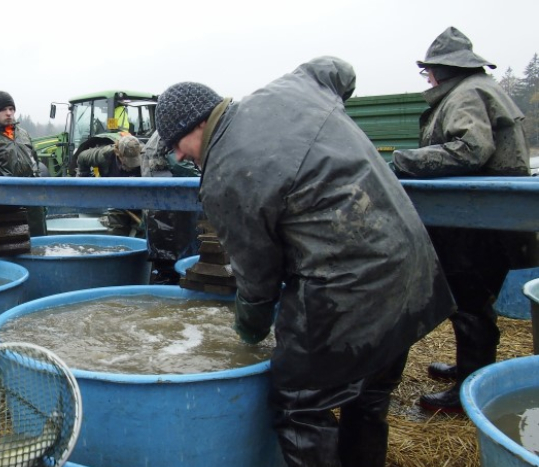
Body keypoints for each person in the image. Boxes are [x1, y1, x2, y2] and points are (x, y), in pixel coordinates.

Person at [155, 58, 455, 467]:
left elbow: (257, 281)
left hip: (349, 292)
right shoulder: (295, 88)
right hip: (412, 266)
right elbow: (338, 70)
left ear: (196, 124)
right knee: (367, 397)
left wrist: (246, 335)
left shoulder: (224, 174)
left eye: (175, 144)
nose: (178, 155)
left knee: (298, 404)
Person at [392, 26, 532, 412]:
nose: (429, 79)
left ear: (441, 69)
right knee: (475, 296)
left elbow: (471, 148)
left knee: (468, 296)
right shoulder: (478, 88)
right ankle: (471, 367)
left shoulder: (467, 92)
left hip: (478, 217)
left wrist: (405, 160)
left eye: (429, 71)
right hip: (490, 215)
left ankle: (467, 389)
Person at [139, 131, 201, 284]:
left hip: (160, 214)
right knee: (173, 270)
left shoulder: (162, 133)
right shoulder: (171, 132)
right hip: (168, 218)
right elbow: (179, 162)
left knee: (167, 267)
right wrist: (206, 176)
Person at [0, 90, 47, 236]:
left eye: (11, 109)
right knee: (12, 238)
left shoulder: (23, 134)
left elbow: (34, 162)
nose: (9, 113)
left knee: (38, 234)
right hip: (6, 197)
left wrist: (41, 193)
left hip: (30, 192)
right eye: (4, 109)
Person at [75, 134, 143, 236]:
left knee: (142, 233)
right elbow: (82, 157)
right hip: (117, 201)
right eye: (128, 161)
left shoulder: (147, 155)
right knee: (116, 233)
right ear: (118, 153)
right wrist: (83, 179)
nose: (131, 166)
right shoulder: (104, 155)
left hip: (141, 201)